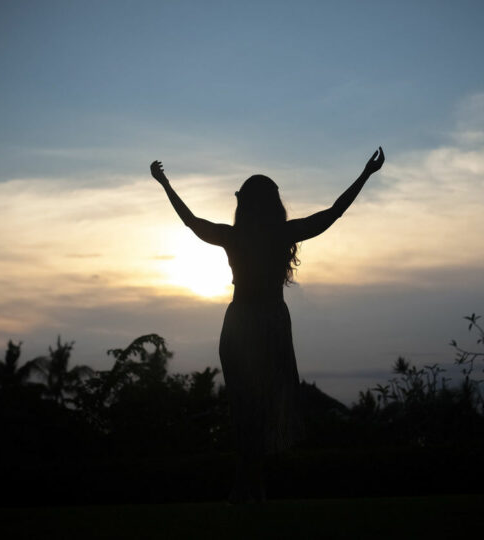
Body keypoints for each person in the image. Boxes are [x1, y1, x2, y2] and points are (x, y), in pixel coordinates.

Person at [150, 147, 385, 502]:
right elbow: (333, 214)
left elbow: (191, 221)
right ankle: (252, 486)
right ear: (273, 203)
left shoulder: (234, 236)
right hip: (266, 322)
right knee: (260, 407)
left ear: (243, 204)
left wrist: (164, 183)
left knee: (246, 408)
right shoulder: (279, 235)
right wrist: (366, 174)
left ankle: (248, 486)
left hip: (242, 322)